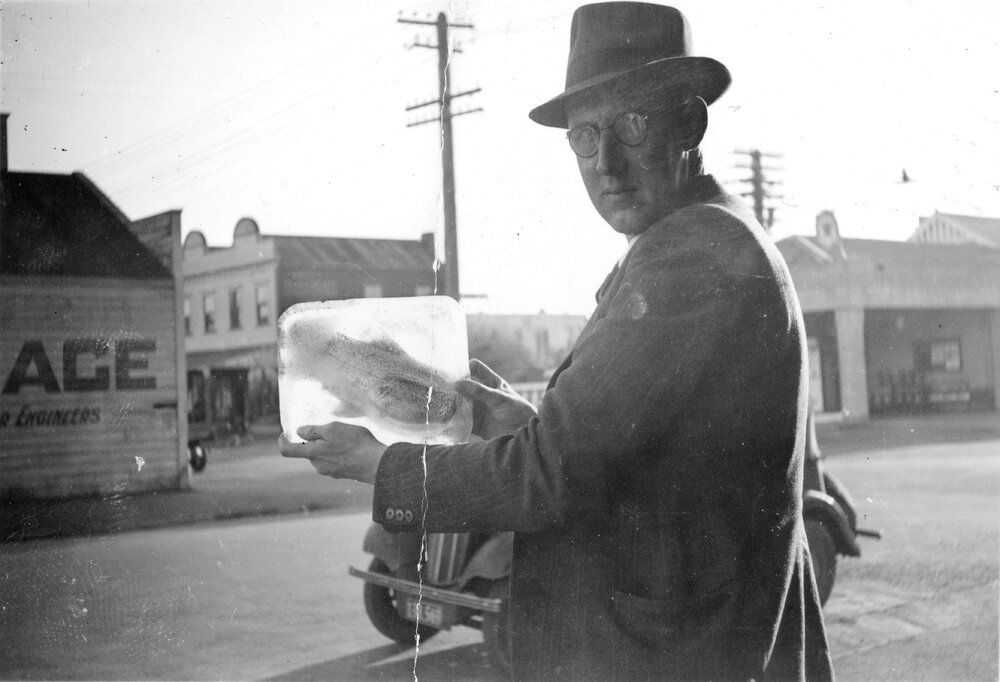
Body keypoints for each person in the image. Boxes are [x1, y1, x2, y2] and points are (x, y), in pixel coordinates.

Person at [280, 3, 834, 680]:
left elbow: (551, 477)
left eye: (631, 125)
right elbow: (627, 457)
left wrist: (379, 464)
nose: (606, 163)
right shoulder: (700, 238)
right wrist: (516, 421)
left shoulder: (690, 254)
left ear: (690, 123)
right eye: (584, 136)